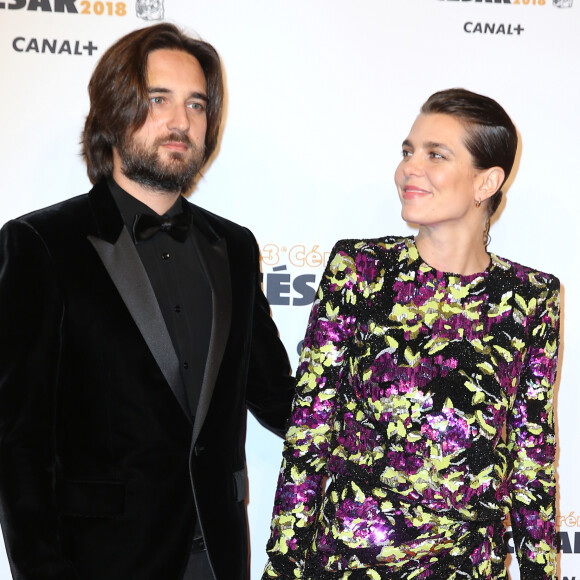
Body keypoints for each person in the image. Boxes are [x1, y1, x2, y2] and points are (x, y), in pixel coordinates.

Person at [0, 23, 294, 580]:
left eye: (197, 104)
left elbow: (278, 397)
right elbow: (19, 439)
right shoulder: (41, 243)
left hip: (218, 556)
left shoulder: (234, 246)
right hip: (100, 561)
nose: (180, 121)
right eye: (158, 99)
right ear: (114, 111)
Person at [263, 88, 560, 579]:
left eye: (435, 155)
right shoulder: (358, 268)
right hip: (348, 560)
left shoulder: (532, 297)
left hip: (467, 565)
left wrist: (538, 572)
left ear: (487, 181)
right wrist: (282, 565)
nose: (408, 169)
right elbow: (311, 430)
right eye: (407, 151)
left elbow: (532, 454)